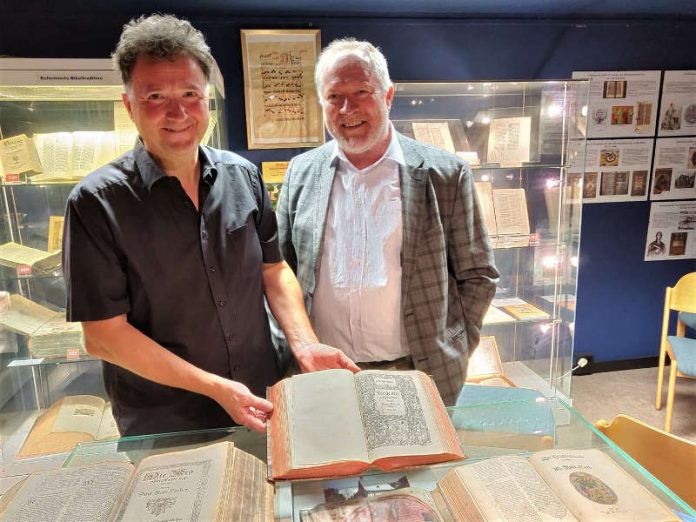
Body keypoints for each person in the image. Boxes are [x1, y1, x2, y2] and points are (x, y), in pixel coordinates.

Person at [62, 14, 357, 437]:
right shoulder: (95, 203)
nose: (177, 111)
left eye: (190, 93)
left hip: (261, 400)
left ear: (207, 99)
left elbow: (272, 270)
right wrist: (216, 388)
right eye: (156, 97)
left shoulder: (243, 175)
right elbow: (105, 336)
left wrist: (304, 342)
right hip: (165, 420)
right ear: (129, 106)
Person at [275, 38, 499, 405]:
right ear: (322, 103)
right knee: (332, 462)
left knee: (416, 464)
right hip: (321, 376)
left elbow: (478, 275)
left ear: (388, 95)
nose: (348, 108)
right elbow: (280, 270)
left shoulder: (445, 174)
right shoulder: (301, 172)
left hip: (415, 373)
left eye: (361, 91)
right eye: (334, 97)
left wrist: (456, 344)